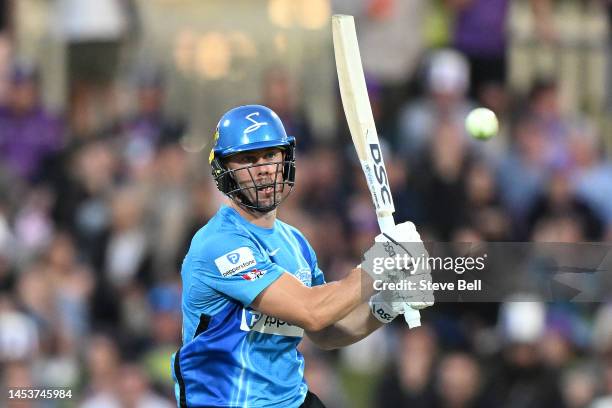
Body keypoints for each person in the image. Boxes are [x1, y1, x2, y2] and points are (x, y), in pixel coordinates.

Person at [170, 105, 432, 407]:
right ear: (225, 170)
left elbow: (324, 331)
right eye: (248, 159)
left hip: (291, 400)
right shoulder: (218, 243)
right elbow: (313, 311)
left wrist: (386, 305)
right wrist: (381, 263)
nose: (264, 168)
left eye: (270, 155)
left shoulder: (295, 242)